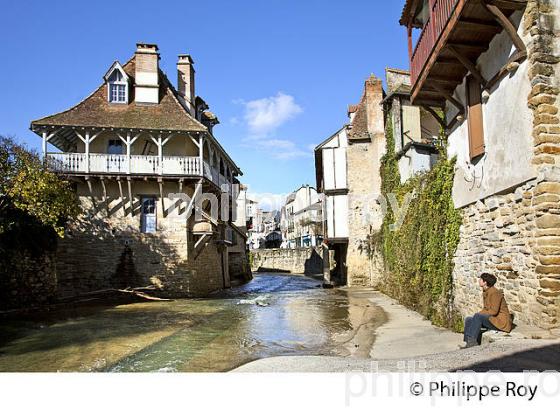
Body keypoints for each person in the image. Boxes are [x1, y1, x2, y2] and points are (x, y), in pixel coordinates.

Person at [461, 273, 512, 349]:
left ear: (485, 282)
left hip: (500, 322)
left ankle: (472, 343)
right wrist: (478, 314)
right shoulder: (486, 291)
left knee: (478, 316)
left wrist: (478, 315)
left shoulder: (495, 293)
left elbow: (494, 311)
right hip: (492, 319)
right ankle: (468, 342)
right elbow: (486, 309)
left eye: (480, 279)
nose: (479, 280)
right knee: (469, 319)